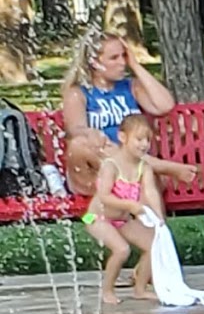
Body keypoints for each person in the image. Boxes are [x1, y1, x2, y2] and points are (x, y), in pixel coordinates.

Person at [61, 31, 196, 198]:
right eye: (114, 58)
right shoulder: (78, 93)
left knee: (142, 171)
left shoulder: (131, 87)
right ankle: (162, 166)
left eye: (124, 56)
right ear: (94, 62)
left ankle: (149, 174)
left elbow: (165, 106)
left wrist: (136, 65)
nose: (122, 63)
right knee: (81, 143)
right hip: (95, 175)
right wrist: (93, 134)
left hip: (137, 173)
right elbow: (75, 130)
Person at [82, 113, 162, 305]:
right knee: (122, 249)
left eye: (148, 140)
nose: (144, 144)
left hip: (122, 220)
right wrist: (130, 205)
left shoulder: (144, 167)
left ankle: (140, 289)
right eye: (139, 139)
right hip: (96, 218)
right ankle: (107, 290)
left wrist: (159, 216)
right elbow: (104, 196)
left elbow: (150, 192)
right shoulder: (111, 165)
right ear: (122, 137)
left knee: (154, 245)